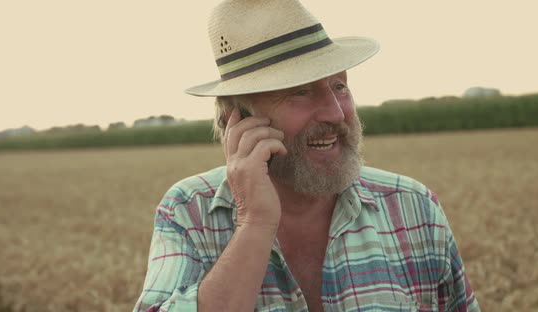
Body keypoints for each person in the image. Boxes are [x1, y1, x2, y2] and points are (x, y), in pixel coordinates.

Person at [134, 0, 480, 311]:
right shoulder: (188, 212)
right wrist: (254, 224)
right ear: (235, 121)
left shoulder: (413, 207)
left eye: (339, 87)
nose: (334, 112)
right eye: (300, 92)